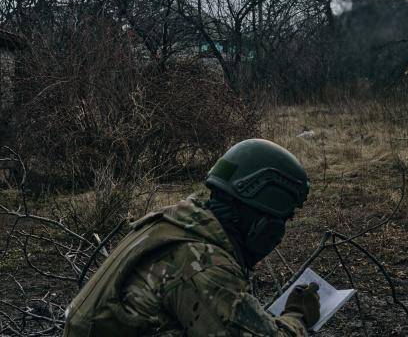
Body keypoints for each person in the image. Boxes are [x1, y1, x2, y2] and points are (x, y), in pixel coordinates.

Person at [63, 139, 320, 337]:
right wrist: (297, 316)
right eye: (282, 221)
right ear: (262, 222)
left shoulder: (174, 223)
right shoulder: (203, 263)